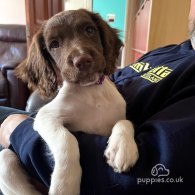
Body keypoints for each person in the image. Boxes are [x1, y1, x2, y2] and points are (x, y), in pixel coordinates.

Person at [1, 1, 195, 194]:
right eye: (55, 44)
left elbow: (149, 171)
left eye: (88, 31)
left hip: (43, 151)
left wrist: (16, 129)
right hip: (31, 153)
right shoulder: (167, 51)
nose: (80, 55)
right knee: (5, 162)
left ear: (104, 40)